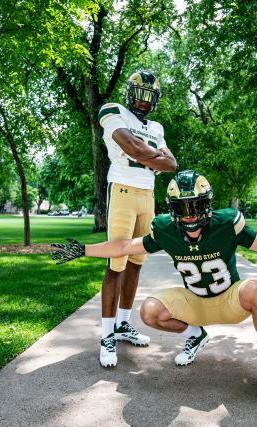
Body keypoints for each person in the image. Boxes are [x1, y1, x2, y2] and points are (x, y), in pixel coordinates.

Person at [52, 170, 257, 400]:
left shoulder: (226, 223)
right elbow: (124, 247)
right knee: (149, 311)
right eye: (181, 208)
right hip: (195, 302)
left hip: (230, 300)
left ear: (207, 204)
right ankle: (195, 333)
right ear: (172, 209)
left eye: (195, 206)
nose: (188, 217)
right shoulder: (165, 230)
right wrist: (84, 250)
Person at [95, 70, 177, 368]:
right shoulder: (112, 109)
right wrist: (149, 155)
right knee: (116, 262)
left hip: (147, 196)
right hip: (123, 189)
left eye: (149, 96)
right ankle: (106, 335)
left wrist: (143, 154)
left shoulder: (156, 126)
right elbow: (128, 145)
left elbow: (171, 163)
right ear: (130, 92)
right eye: (139, 94)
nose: (143, 101)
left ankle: (123, 324)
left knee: (136, 263)